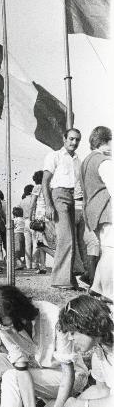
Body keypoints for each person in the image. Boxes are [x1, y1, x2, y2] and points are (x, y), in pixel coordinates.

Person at [42, 128, 83, 290]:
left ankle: (69, 280)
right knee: (65, 238)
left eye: (77, 140)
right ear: (64, 138)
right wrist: (48, 204)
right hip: (58, 195)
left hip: (73, 198)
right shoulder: (54, 156)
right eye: (71, 139)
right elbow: (45, 182)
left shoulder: (78, 160)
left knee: (71, 239)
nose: (74, 143)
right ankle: (60, 281)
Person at [81, 126, 113, 302]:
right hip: (107, 210)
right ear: (107, 141)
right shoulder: (104, 161)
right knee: (111, 251)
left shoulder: (86, 161)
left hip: (92, 211)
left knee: (106, 249)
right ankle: (109, 292)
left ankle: (96, 287)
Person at [19, 184, 34, 269]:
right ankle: (35, 263)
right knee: (35, 244)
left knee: (27, 245)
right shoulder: (34, 200)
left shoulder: (22, 201)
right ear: (31, 191)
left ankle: (28, 265)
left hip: (25, 222)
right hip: (33, 221)